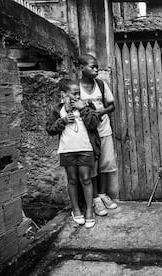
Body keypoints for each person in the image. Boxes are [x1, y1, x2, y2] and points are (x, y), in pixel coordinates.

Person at [46, 78, 100, 228]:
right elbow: (49, 129)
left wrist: (83, 109)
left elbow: (95, 123)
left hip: (85, 149)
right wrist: (62, 121)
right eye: (73, 93)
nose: (76, 96)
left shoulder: (87, 105)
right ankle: (76, 210)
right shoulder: (58, 109)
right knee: (72, 180)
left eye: (78, 93)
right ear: (63, 94)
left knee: (86, 179)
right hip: (67, 150)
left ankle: (89, 211)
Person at [78, 54, 118, 216]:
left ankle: (102, 195)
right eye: (92, 67)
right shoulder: (77, 88)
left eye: (97, 67)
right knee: (92, 166)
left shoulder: (101, 85)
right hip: (87, 133)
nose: (96, 70)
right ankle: (95, 199)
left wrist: (102, 111)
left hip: (104, 129)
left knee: (105, 164)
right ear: (81, 68)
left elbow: (112, 106)